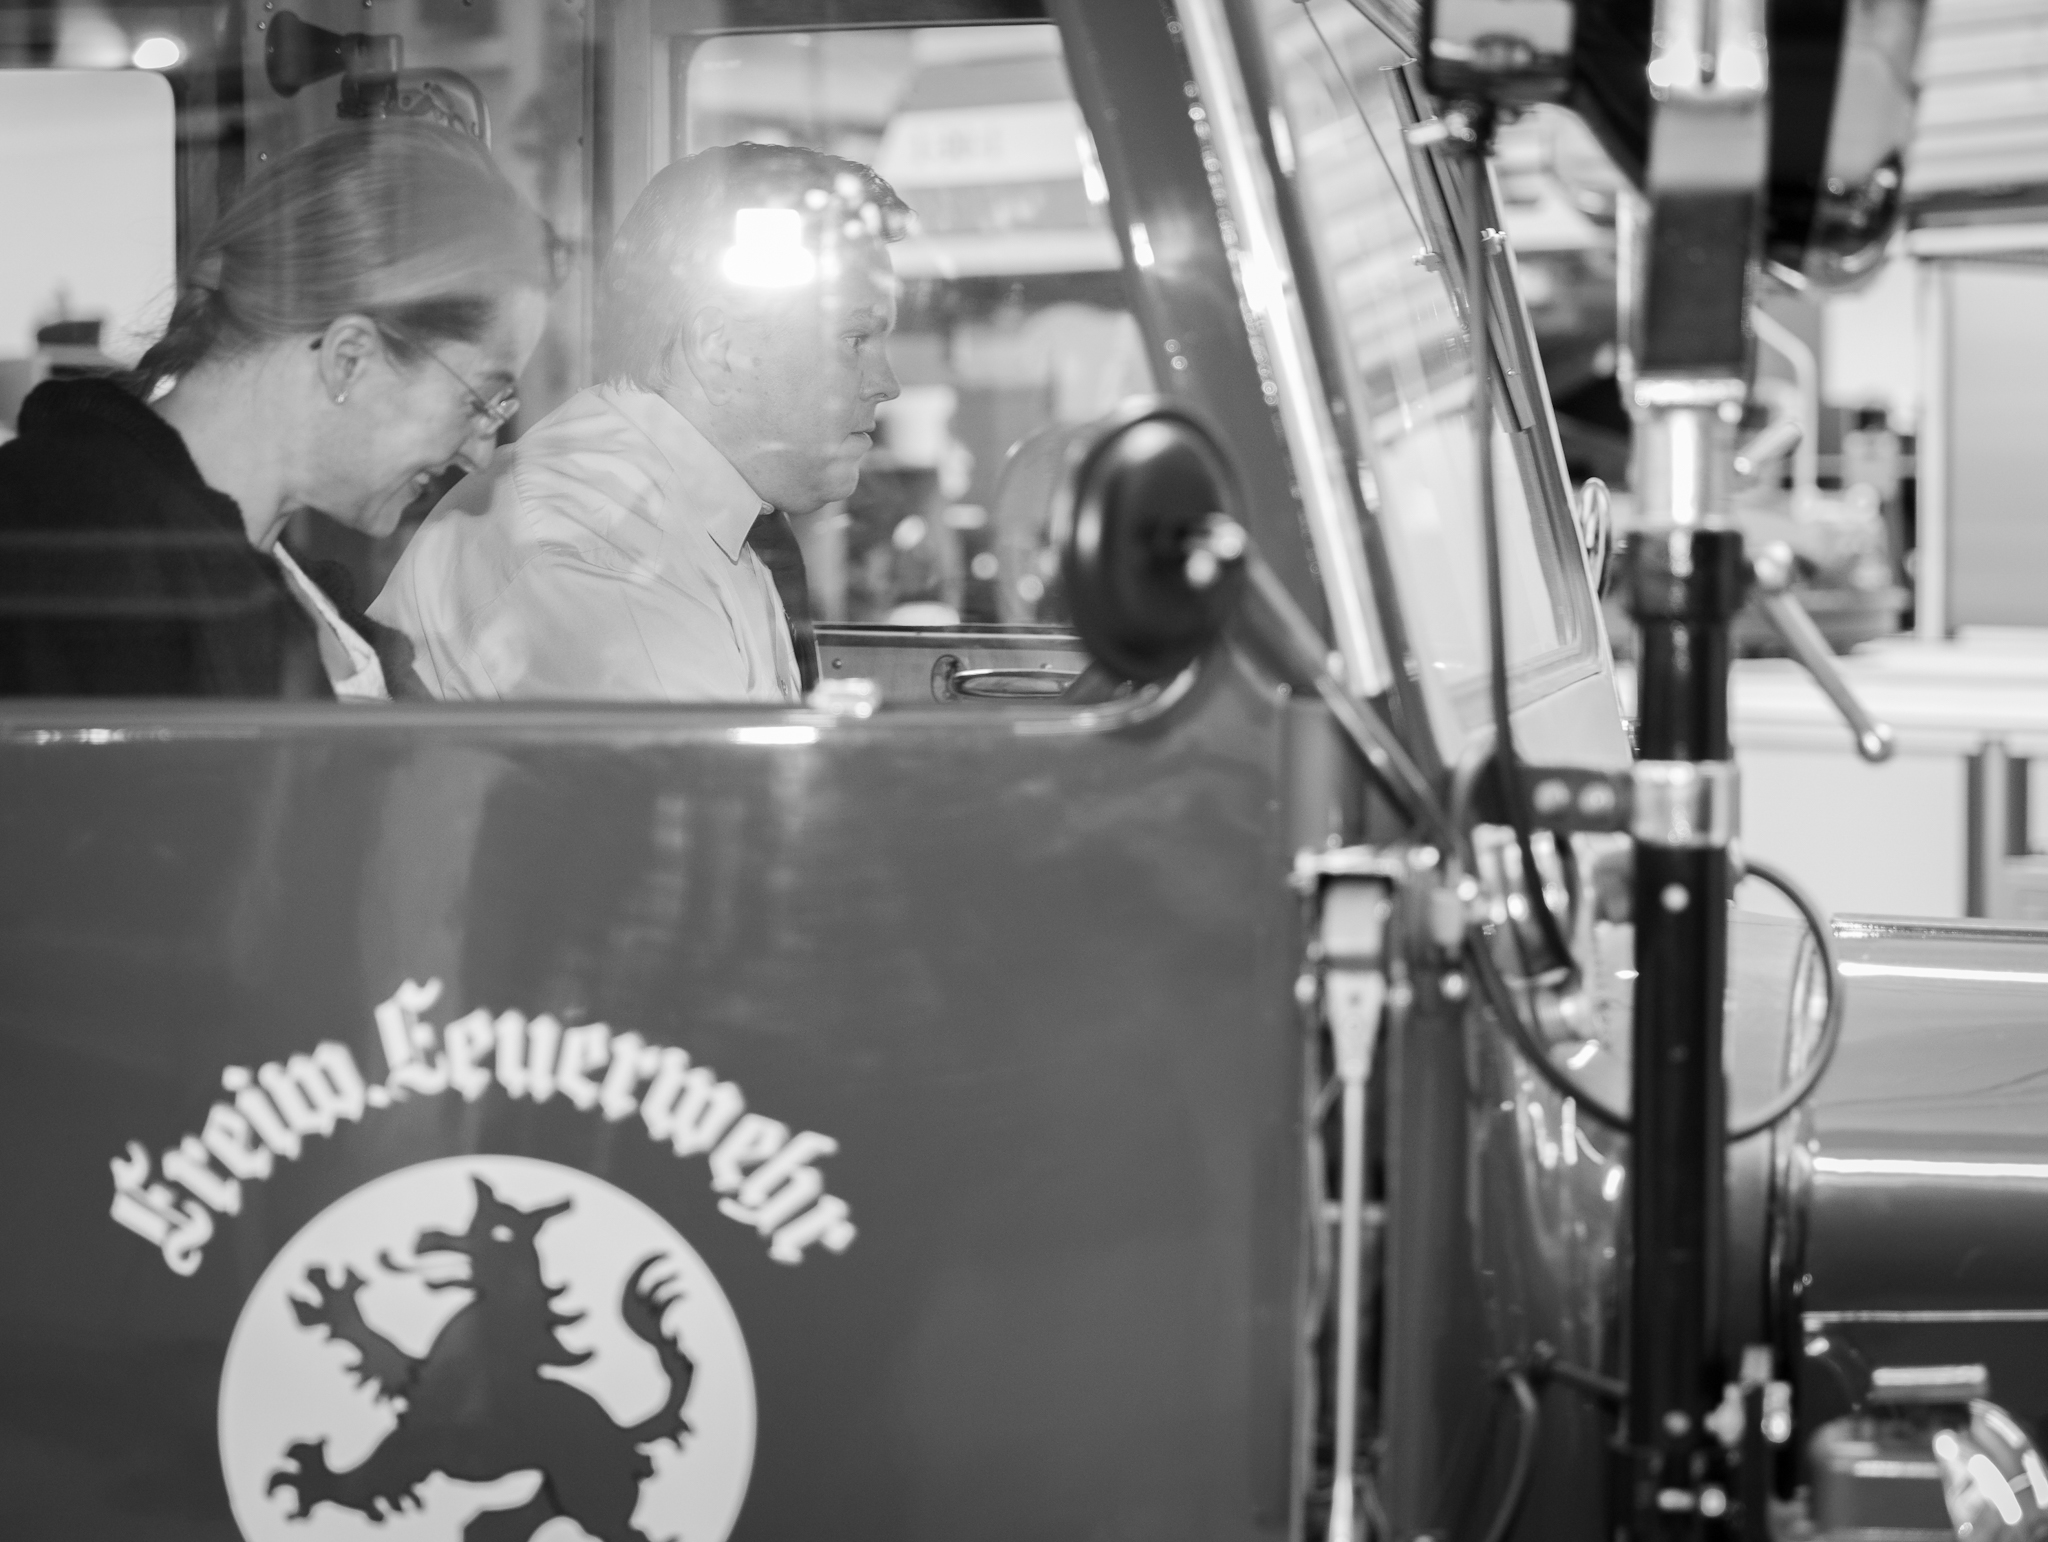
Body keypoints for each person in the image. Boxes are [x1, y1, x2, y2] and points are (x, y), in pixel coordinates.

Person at [0, 119, 558, 699]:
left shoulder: (278, 580)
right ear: (349, 358)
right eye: (479, 400)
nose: (480, 452)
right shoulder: (72, 546)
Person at [370, 142, 905, 703]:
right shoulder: (601, 545)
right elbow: (702, 763)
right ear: (721, 348)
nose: (886, 384)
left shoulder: (699, 515)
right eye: (855, 340)